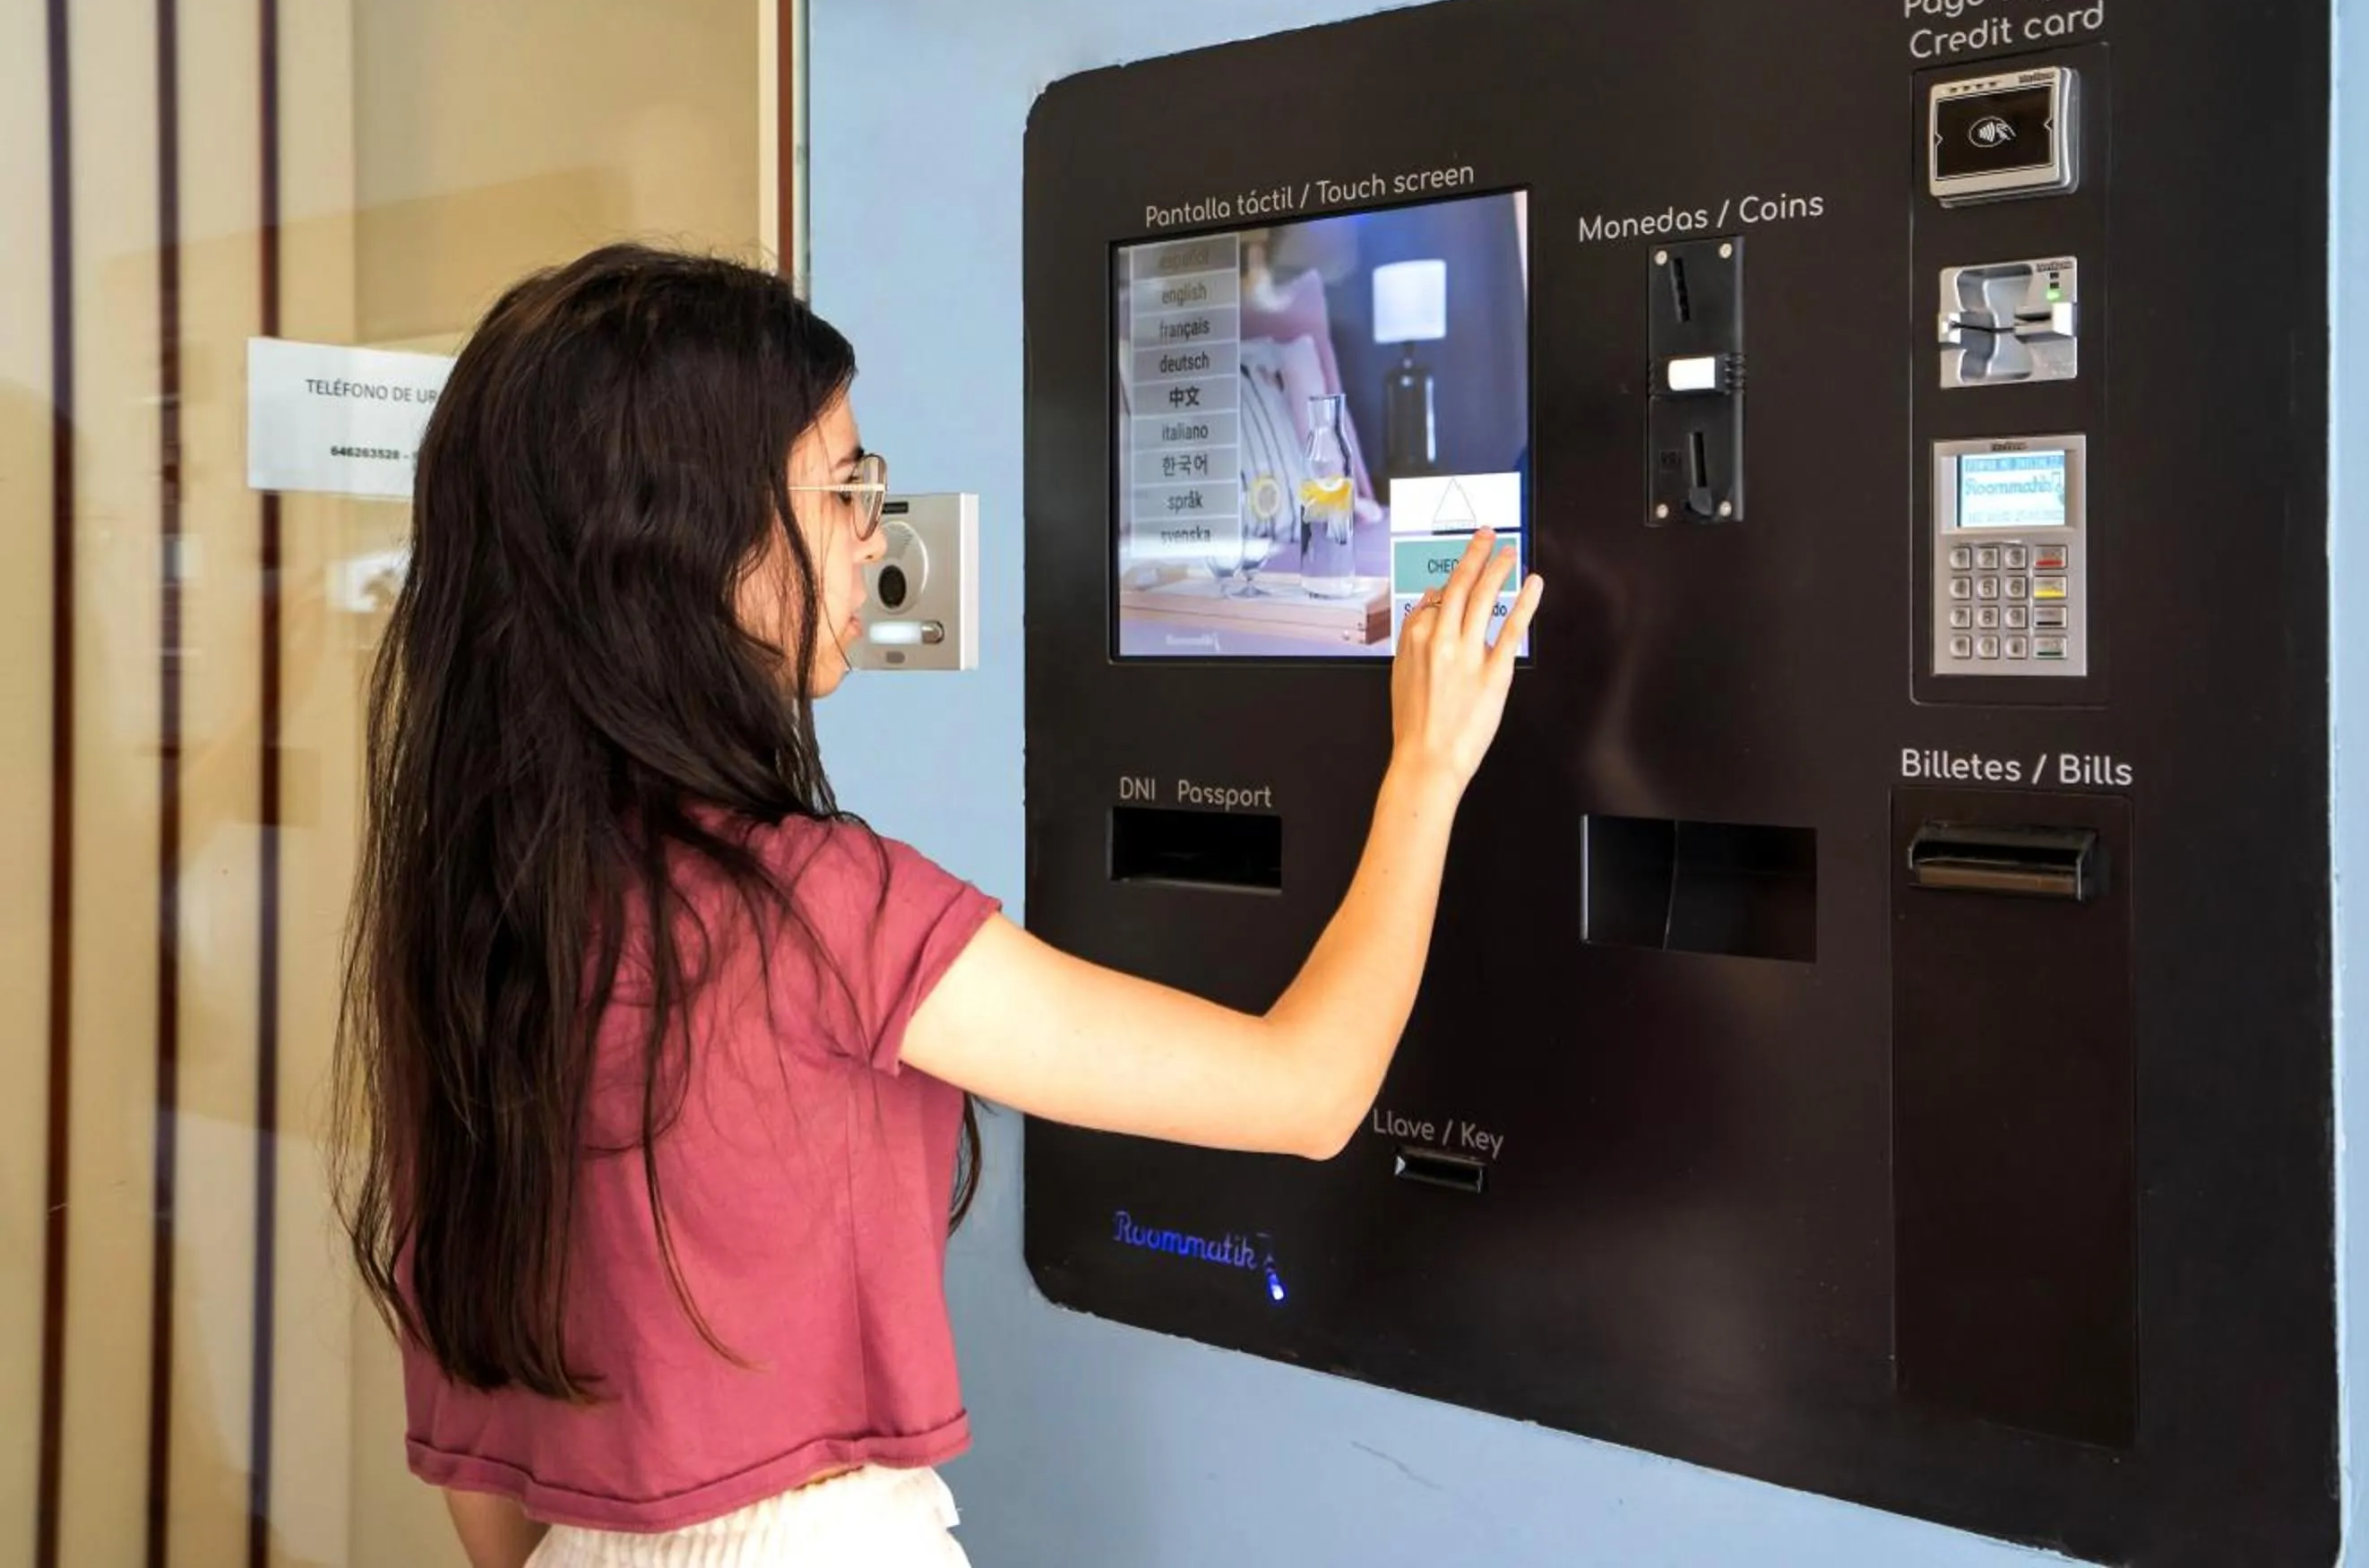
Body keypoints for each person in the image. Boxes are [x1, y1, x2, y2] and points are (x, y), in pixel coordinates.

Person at [333, 245, 1544, 1567]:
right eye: (845, 488)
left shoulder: (476, 931)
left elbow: (483, 1482)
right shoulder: (821, 911)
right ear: (690, 546)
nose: (874, 536)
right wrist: (1427, 771)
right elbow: (1309, 1092)